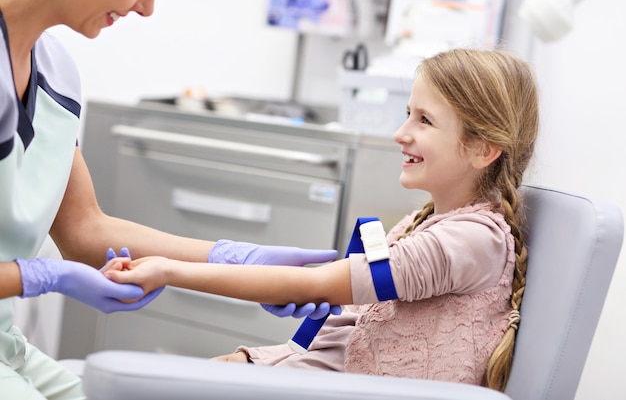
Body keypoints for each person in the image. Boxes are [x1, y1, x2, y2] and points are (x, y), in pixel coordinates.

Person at [105, 48, 540, 391]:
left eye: (424, 120)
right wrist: (258, 363)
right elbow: (343, 332)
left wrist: (168, 271)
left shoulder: (471, 242)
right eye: (408, 113)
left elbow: (314, 287)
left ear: (484, 149)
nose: (400, 132)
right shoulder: (413, 226)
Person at [0, 0, 338, 399]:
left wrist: (232, 260)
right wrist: (40, 277)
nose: (147, 8)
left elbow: (83, 229)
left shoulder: (55, 71)